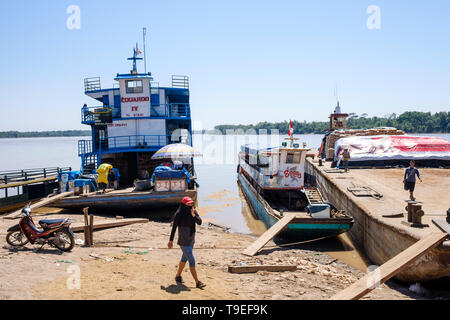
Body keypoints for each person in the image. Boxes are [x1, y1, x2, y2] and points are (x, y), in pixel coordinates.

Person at [168, 197, 205, 289]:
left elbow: (199, 222)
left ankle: (178, 276)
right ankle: (197, 282)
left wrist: (194, 215)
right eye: (189, 204)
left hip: (191, 239)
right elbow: (174, 228)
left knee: (184, 258)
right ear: (184, 205)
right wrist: (170, 240)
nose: (191, 205)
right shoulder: (179, 214)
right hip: (183, 241)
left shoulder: (193, 211)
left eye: (192, 203)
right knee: (191, 260)